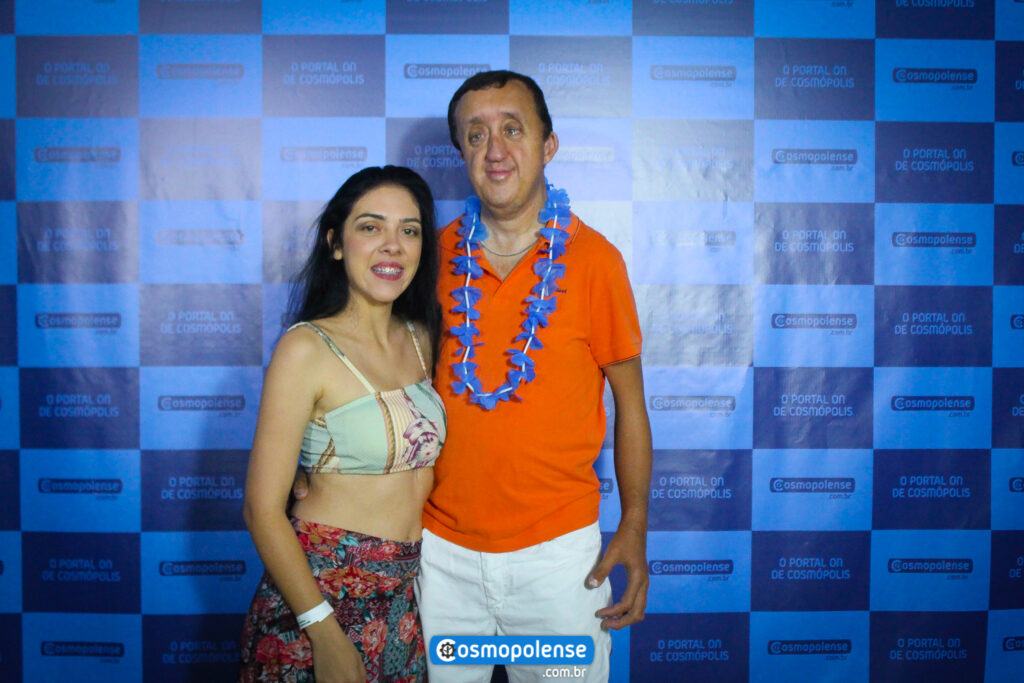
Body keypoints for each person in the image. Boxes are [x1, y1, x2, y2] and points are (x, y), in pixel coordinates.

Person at [297, 71, 653, 682]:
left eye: (513, 129)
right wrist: (311, 460)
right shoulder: (425, 258)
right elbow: (372, 364)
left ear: (548, 144)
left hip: (559, 564)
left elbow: (631, 404)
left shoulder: (596, 261)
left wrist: (636, 526)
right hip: (442, 561)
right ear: (461, 152)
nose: (495, 150)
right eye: (476, 134)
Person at [239, 165, 444, 683]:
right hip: (321, 596)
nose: (392, 245)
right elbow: (262, 510)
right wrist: (323, 631)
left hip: (404, 600)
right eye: (371, 227)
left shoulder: (422, 336)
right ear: (335, 243)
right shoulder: (304, 348)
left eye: (409, 230)